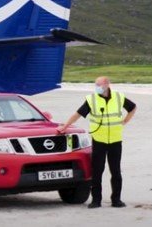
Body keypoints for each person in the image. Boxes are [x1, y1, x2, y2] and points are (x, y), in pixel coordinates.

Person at [57, 76, 137, 208]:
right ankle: (96, 200)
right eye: (96, 85)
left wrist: (125, 121)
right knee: (97, 171)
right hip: (99, 139)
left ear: (107, 84)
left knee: (115, 171)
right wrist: (65, 126)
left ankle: (116, 200)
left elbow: (133, 108)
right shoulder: (91, 99)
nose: (97, 87)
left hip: (115, 140)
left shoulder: (118, 97)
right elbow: (77, 114)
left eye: (99, 84)